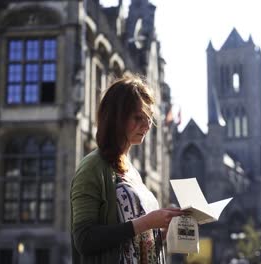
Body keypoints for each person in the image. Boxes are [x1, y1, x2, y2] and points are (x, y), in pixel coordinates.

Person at [70, 74, 185, 264]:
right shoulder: (92, 166)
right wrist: (147, 223)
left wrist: (162, 232)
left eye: (149, 118)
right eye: (138, 117)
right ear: (116, 117)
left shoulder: (132, 171)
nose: (147, 125)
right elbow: (84, 239)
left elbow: (136, 240)